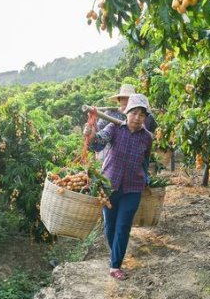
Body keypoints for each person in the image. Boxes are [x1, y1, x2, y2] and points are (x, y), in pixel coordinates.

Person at [84, 93, 154, 281]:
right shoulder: (114, 127)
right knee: (110, 226)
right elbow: (97, 144)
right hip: (110, 186)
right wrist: (90, 132)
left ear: (145, 118)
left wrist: (145, 179)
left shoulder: (147, 138)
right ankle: (115, 250)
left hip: (133, 188)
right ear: (127, 113)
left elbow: (145, 160)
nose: (137, 118)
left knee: (123, 226)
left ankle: (115, 265)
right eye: (134, 113)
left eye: (142, 115)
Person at [96, 84, 157, 160]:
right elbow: (99, 131)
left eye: (128, 98)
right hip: (110, 156)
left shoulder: (147, 116)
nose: (126, 101)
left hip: (135, 158)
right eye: (123, 98)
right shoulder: (109, 114)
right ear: (119, 100)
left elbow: (153, 131)